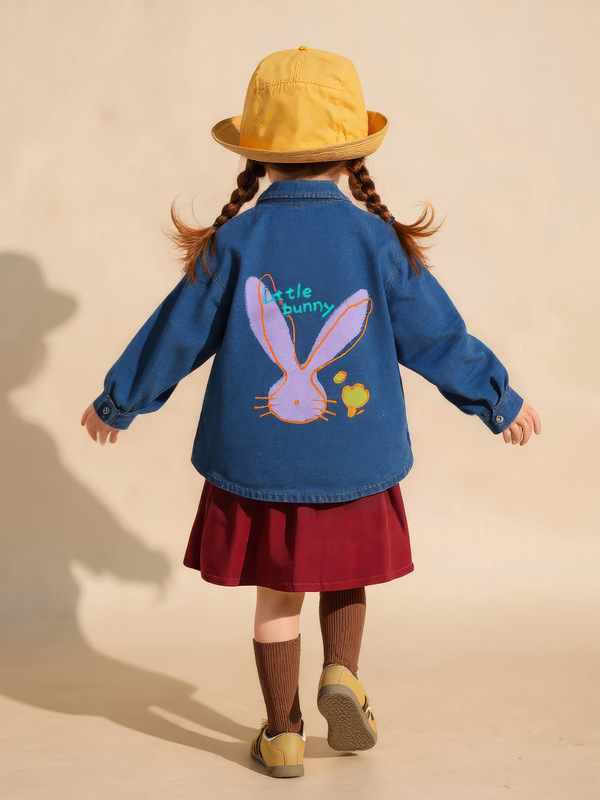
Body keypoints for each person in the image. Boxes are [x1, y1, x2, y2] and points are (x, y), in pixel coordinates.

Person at [80, 46, 541, 779]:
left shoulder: (235, 241)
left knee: (278, 597)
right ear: (352, 153)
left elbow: (177, 333)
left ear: (257, 155)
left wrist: (119, 400)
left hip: (258, 460)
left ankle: (283, 733)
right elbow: (436, 335)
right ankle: (342, 675)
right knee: (346, 573)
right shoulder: (375, 240)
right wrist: (497, 398)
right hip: (354, 455)